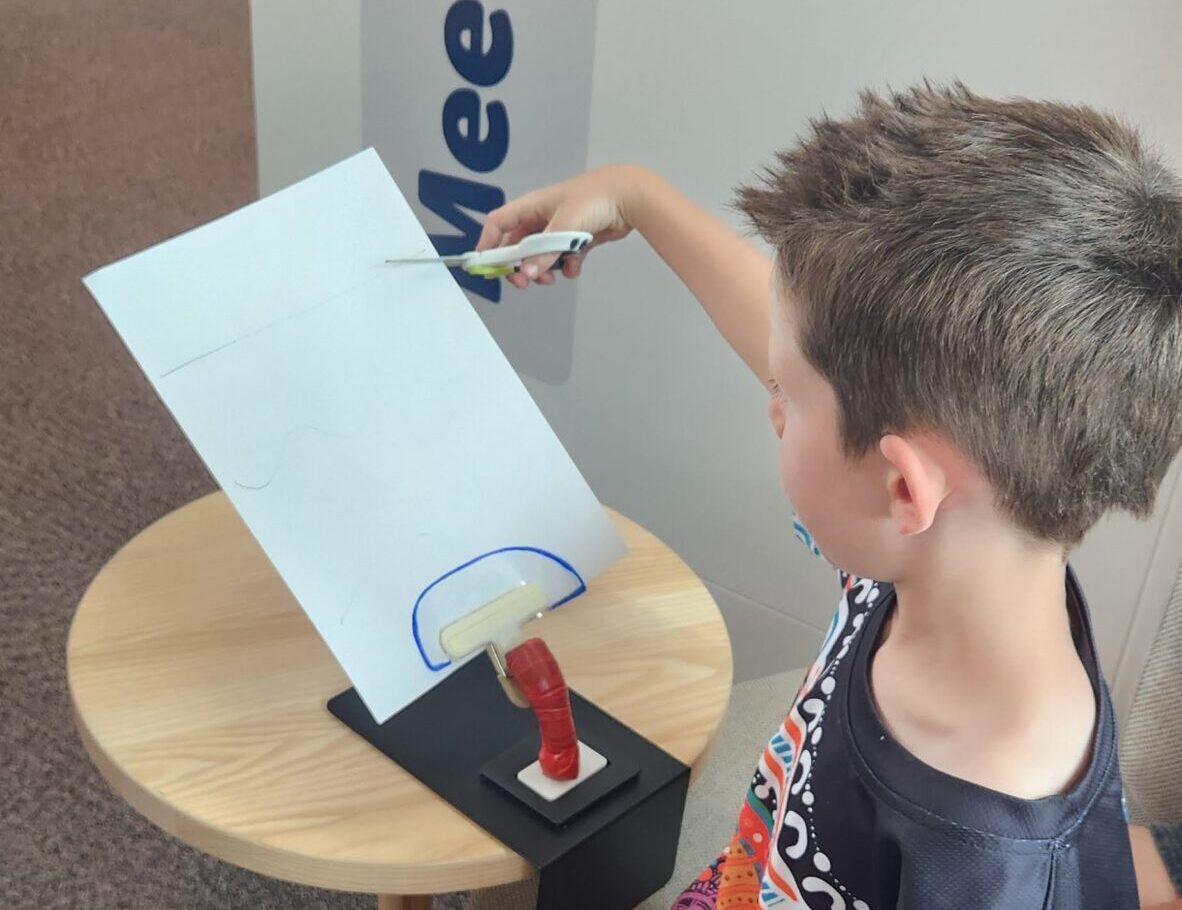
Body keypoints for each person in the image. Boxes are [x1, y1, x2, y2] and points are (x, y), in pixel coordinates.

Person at [476, 82, 1182, 908]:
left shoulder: (996, 872)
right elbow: (808, 336)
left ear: (900, 486)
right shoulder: (949, 559)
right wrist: (635, 196)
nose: (771, 402)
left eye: (786, 391)